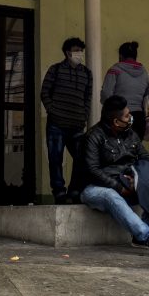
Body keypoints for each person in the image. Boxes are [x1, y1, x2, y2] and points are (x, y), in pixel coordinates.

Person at [75, 95, 149, 258]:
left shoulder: (131, 134)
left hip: (128, 183)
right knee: (110, 195)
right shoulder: (94, 136)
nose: (131, 118)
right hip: (96, 188)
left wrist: (137, 179)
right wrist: (119, 186)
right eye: (127, 116)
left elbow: (146, 159)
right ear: (116, 122)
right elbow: (93, 171)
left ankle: (142, 233)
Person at [40, 37, 93, 204]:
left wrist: (84, 115)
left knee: (82, 158)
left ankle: (74, 191)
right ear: (67, 52)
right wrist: (53, 110)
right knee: (55, 159)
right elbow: (44, 93)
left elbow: (87, 97)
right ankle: (59, 192)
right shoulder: (55, 70)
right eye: (77, 51)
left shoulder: (86, 73)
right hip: (57, 124)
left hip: (77, 125)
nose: (80, 54)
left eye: (81, 51)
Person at [100, 41, 149, 140]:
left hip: (120, 117)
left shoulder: (115, 70)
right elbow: (147, 97)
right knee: (135, 151)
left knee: (118, 151)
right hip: (139, 119)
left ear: (120, 56)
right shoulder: (145, 73)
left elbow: (106, 94)